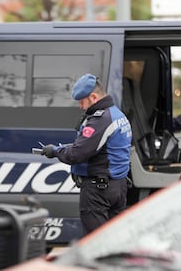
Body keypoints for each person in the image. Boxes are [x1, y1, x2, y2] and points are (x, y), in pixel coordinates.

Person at [40, 74, 132, 236]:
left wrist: (55, 151)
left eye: (82, 101)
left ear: (93, 97)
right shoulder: (117, 114)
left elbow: (76, 154)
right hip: (118, 187)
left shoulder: (101, 120)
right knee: (114, 239)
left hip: (98, 192)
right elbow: (96, 147)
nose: (81, 106)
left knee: (95, 242)